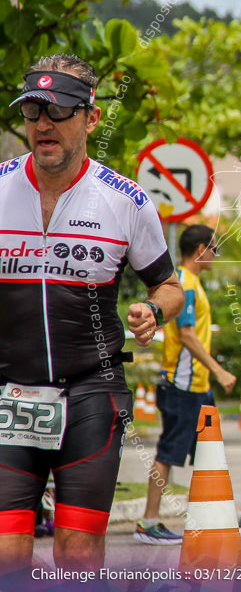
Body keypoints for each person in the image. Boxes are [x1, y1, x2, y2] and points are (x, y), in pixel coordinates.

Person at [0, 54, 184, 574]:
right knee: (7, 555)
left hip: (90, 393)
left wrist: (152, 309)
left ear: (91, 118)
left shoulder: (126, 201)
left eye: (57, 111)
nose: (43, 125)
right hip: (7, 392)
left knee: (77, 556)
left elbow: (170, 286)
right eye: (32, 112)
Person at [135, 224, 241, 544]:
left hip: (197, 385)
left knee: (210, 454)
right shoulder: (183, 284)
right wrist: (220, 370)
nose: (216, 255)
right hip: (182, 385)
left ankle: (228, 514)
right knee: (169, 452)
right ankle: (148, 521)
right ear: (201, 249)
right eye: (215, 248)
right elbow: (186, 336)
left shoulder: (192, 283)